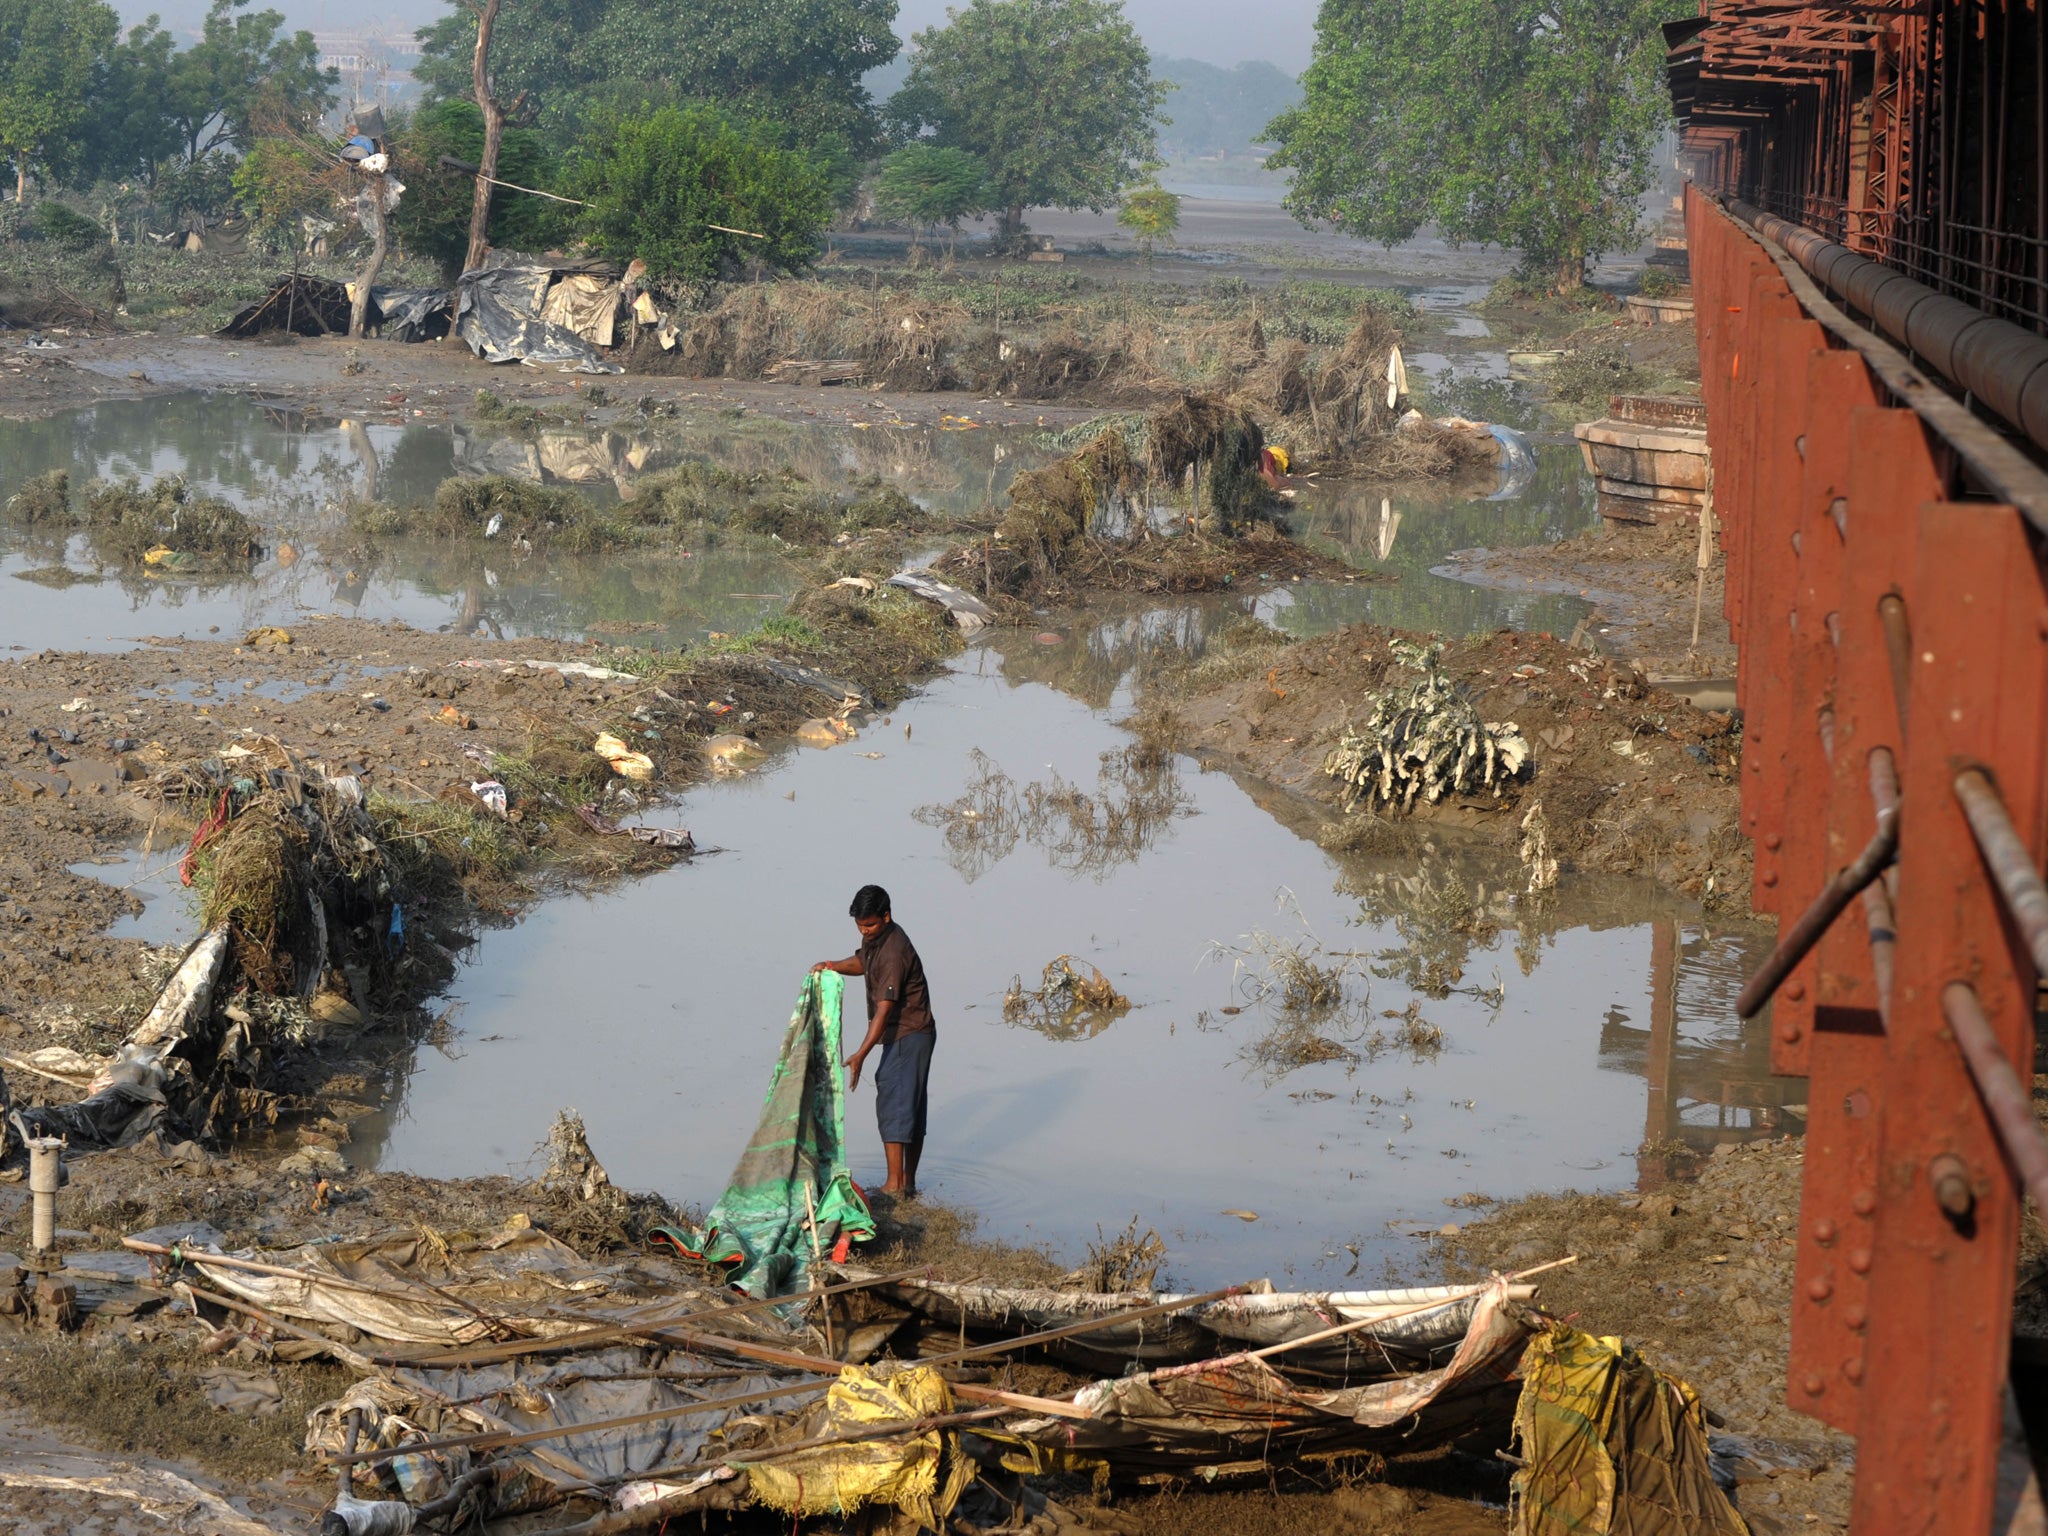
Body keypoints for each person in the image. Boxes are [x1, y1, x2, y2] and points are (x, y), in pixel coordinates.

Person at [811, 885, 935, 1197]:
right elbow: (863, 962)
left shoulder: (894, 951)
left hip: (909, 1033)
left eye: (870, 925)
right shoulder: (878, 939)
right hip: (911, 1032)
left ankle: (895, 1186)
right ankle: (906, 1184)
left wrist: (860, 1054)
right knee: (909, 1103)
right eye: (860, 926)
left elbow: (884, 1009)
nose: (865, 932)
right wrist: (832, 965)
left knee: (895, 1102)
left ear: (886, 916)